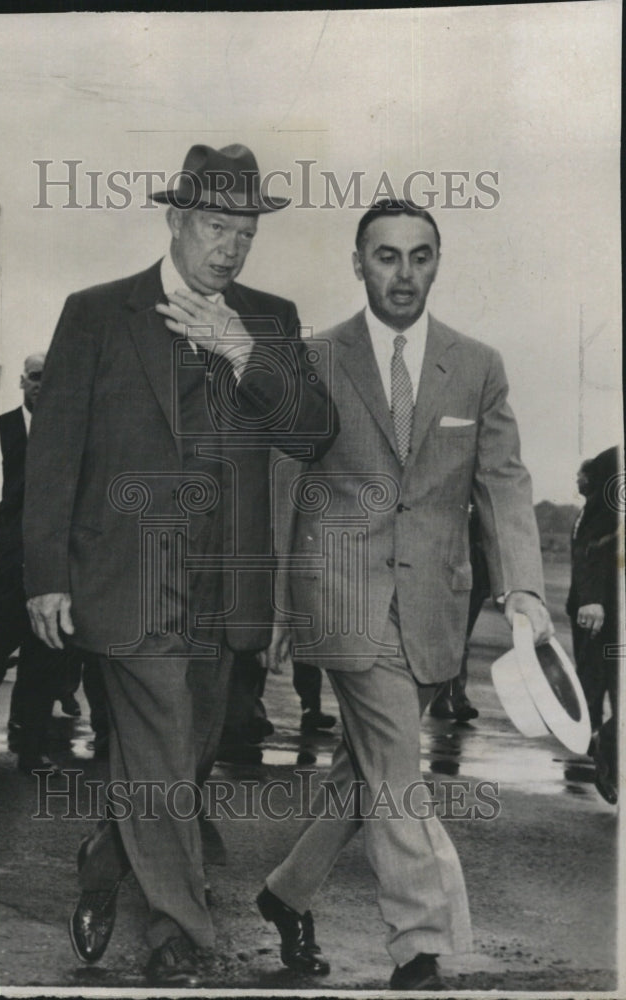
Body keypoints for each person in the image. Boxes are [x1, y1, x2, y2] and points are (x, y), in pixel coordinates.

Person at [23, 143, 337, 986]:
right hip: (126, 572)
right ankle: (179, 936)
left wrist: (245, 354)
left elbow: (312, 433)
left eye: (245, 232)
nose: (230, 248)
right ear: (175, 220)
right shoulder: (97, 313)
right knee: (160, 748)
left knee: (183, 759)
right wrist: (45, 571)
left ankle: (106, 855)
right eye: (214, 226)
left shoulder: (269, 319)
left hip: (224, 581)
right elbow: (53, 453)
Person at [258, 199, 552, 989]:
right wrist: (278, 605)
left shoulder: (478, 364)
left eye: (420, 256)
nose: (403, 272)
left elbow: (504, 482)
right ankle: (420, 944)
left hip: (432, 612)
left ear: (437, 263)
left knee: (365, 768)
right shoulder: (315, 359)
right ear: (359, 263)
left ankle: (286, 892)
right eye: (386, 256)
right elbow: (285, 483)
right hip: (342, 594)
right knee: (395, 764)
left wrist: (524, 585)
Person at [0, 354, 80, 774]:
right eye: (36, 378)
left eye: (51, 378)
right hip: (3, 566)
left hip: (50, 568)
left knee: (45, 657)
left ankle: (31, 745)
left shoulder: (72, 434)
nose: (43, 386)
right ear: (23, 382)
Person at [567, 445, 621, 804]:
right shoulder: (614, 463)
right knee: (597, 679)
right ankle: (603, 748)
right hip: (606, 605)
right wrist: (591, 597)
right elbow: (592, 540)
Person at [428, 505, 490, 722]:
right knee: (454, 642)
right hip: (450, 577)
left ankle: (450, 698)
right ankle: (450, 698)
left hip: (474, 579)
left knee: (459, 642)